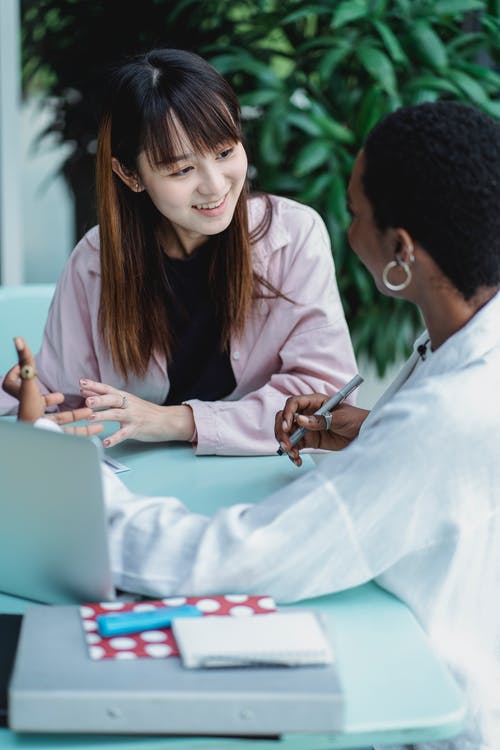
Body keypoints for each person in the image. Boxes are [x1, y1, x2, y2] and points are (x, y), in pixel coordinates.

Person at [5, 101, 500, 750]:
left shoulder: (446, 415)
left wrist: (78, 493)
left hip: (435, 706)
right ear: (131, 177)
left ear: (401, 249)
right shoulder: (462, 361)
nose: (346, 232)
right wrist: (377, 432)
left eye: (354, 215)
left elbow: (228, 560)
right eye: (181, 168)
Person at [0, 47, 356, 455]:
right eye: (181, 170)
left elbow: (327, 399)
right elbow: (66, 405)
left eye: (225, 152)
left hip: (269, 478)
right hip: (142, 491)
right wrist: (28, 403)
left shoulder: (293, 235)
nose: (215, 185)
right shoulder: (94, 262)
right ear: (130, 174)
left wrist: (172, 420)